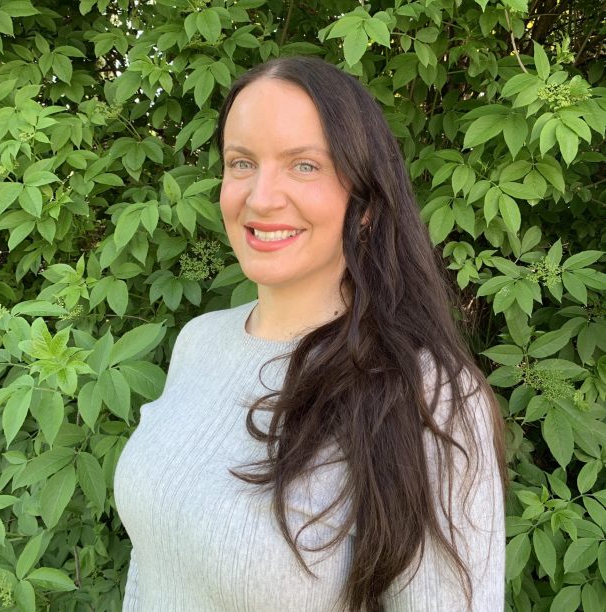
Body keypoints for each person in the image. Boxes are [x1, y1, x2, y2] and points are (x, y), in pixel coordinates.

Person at [113, 56, 506, 611]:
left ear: (365, 202)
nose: (261, 197)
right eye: (241, 162)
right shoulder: (197, 342)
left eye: (303, 166)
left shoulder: (428, 395)